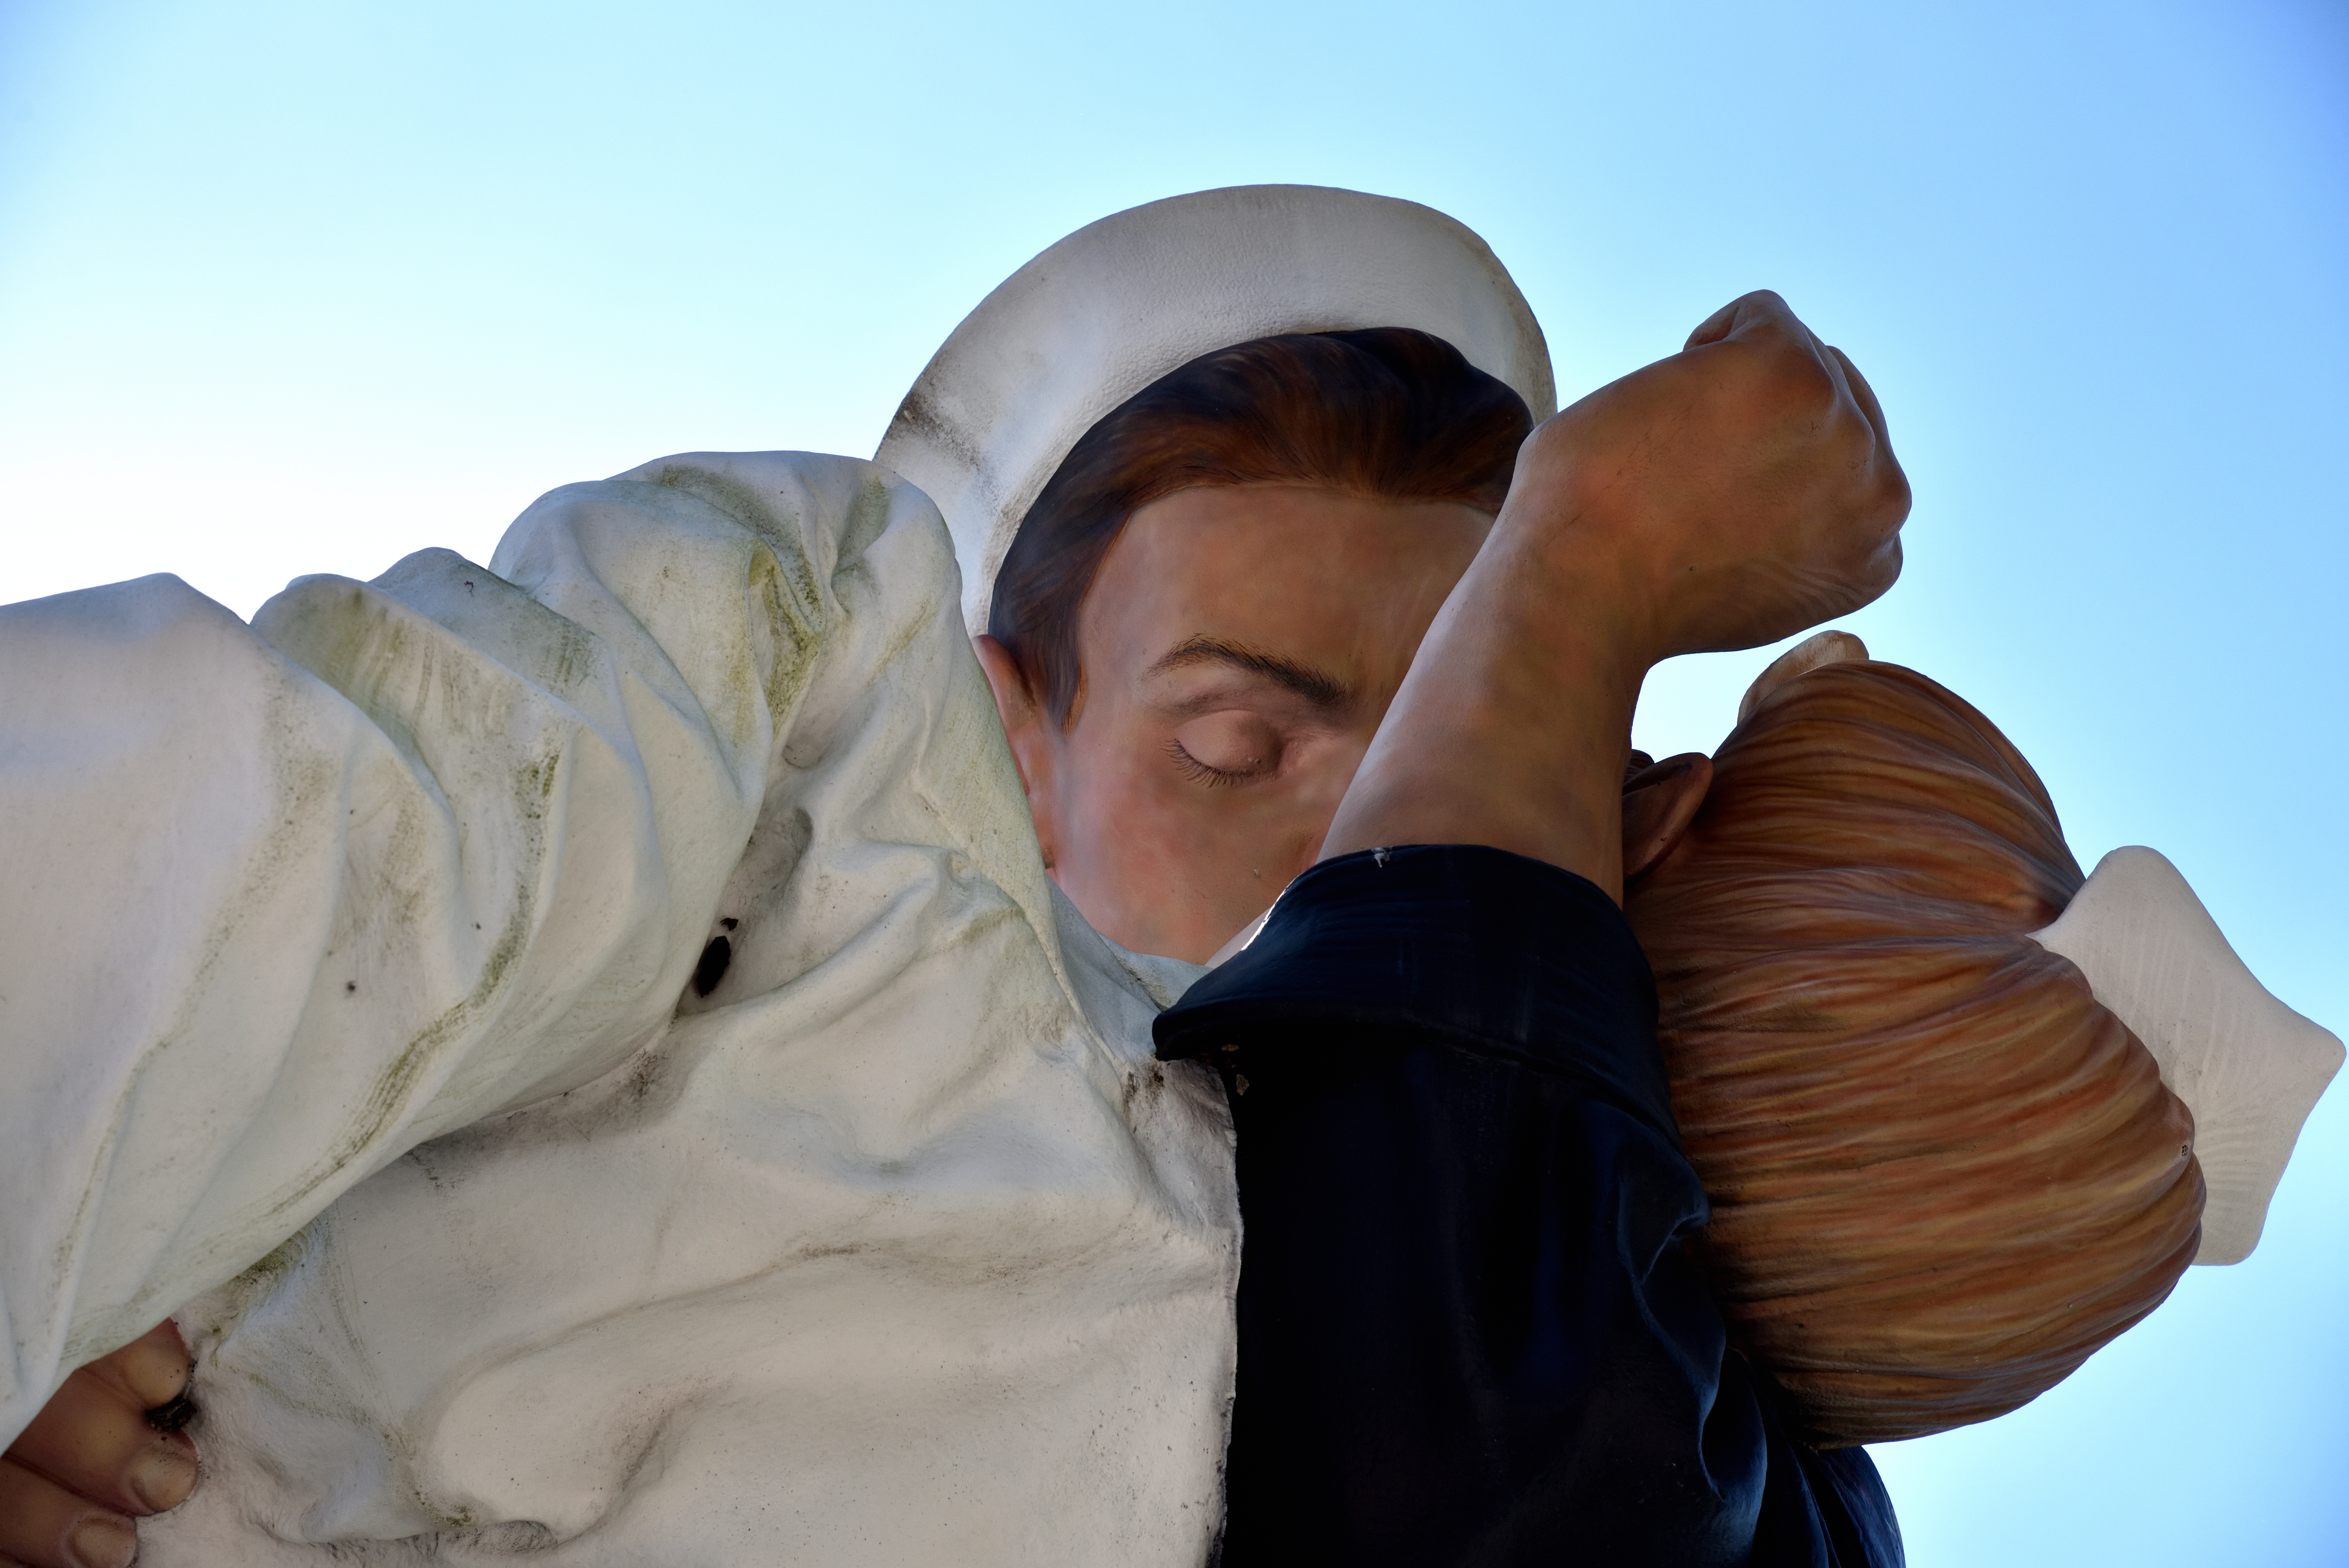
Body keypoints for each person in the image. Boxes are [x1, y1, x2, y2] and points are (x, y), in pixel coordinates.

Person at [0, 186, 1902, 1564]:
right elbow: (263, 859)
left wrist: (1580, 574)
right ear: (1003, 738)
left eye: (1471, 735)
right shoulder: (803, 710)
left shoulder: (1713, 1412)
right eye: (1235, 740)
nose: (1364, 842)